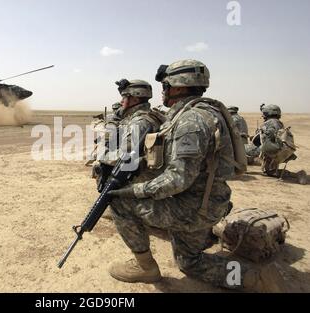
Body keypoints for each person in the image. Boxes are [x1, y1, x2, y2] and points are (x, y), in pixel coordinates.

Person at [107, 59, 286, 292]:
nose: (163, 91)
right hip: (209, 199)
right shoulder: (201, 112)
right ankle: (250, 276)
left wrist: (134, 190)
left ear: (180, 86)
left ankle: (145, 267)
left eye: (166, 85)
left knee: (119, 202)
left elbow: (178, 178)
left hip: (193, 208)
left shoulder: (191, 120)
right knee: (189, 263)